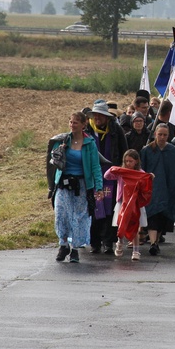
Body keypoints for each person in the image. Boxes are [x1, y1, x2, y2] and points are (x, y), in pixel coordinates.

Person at [48, 111, 103, 263]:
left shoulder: (89, 143)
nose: (72, 125)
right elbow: (53, 161)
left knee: (79, 217)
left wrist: (98, 187)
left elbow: (95, 167)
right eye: (71, 122)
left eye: (75, 123)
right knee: (61, 214)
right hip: (63, 183)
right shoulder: (63, 140)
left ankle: (75, 249)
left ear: (84, 124)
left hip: (81, 185)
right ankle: (63, 244)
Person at [85, 101, 128, 254]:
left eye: (100, 115)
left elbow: (124, 151)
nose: (97, 118)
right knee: (94, 208)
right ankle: (95, 242)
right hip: (92, 176)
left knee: (110, 210)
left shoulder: (116, 130)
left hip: (111, 175)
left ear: (107, 117)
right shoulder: (87, 131)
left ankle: (108, 241)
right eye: (95, 115)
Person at [140, 123, 175, 256]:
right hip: (152, 190)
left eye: (165, 135)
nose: (162, 137)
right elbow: (142, 170)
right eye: (160, 134)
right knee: (153, 216)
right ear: (155, 134)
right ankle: (153, 243)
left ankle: (156, 242)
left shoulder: (173, 151)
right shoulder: (147, 151)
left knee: (163, 218)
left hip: (168, 188)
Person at [106, 149, 152, 261]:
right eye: (126, 161)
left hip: (135, 204)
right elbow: (107, 176)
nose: (128, 163)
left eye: (130, 161)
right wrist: (113, 169)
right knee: (121, 223)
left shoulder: (140, 173)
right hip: (123, 202)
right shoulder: (122, 172)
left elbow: (146, 185)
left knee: (134, 226)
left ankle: (136, 251)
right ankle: (119, 241)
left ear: (136, 161)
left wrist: (150, 177)